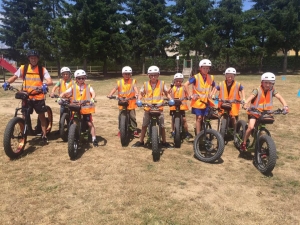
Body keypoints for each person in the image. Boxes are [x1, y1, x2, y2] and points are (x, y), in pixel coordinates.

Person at [2, 50, 53, 143]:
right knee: (24, 115)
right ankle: (23, 134)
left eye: (35, 58)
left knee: (41, 116)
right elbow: (14, 77)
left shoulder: (42, 69)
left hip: (38, 97)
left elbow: (50, 81)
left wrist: (45, 85)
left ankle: (44, 135)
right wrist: (7, 82)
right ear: (29, 58)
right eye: (31, 58)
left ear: (38, 59)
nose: (33, 59)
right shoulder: (23, 68)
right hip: (27, 96)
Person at [240, 72, 289, 152]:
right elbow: (251, 97)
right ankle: (244, 143)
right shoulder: (257, 90)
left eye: (270, 83)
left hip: (265, 113)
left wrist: (285, 106)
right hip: (254, 112)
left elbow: (280, 97)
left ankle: (259, 143)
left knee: (261, 130)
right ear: (262, 82)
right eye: (266, 82)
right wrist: (245, 103)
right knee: (251, 127)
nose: (268, 85)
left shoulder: (272, 90)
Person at [132, 65, 174, 148]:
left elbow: (166, 93)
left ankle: (164, 142)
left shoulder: (162, 83)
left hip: (159, 108)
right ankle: (141, 141)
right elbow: (141, 94)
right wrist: (139, 100)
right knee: (144, 125)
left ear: (158, 75)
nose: (153, 77)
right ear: (149, 75)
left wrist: (170, 99)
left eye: (155, 75)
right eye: (151, 75)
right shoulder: (145, 84)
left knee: (162, 126)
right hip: (148, 108)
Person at [59, 69, 99, 147]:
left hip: (86, 108)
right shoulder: (73, 87)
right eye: (79, 78)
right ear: (76, 79)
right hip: (76, 107)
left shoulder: (88, 86)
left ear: (85, 78)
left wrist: (92, 99)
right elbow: (66, 92)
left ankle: (94, 139)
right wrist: (61, 96)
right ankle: (74, 135)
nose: (81, 80)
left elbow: (93, 93)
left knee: (89, 123)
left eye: (83, 78)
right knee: (74, 122)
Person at [184, 59, 216, 135]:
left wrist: (212, 93)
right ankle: (198, 136)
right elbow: (185, 85)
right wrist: (190, 95)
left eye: (207, 68)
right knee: (199, 118)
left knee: (205, 118)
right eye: (204, 68)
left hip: (206, 102)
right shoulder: (195, 77)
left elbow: (215, 86)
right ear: (200, 68)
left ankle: (204, 133)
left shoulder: (211, 77)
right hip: (198, 102)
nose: (206, 70)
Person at [107, 66, 139, 138]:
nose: (127, 75)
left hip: (130, 102)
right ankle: (120, 130)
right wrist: (110, 94)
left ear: (130, 74)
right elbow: (114, 89)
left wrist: (137, 94)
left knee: (132, 116)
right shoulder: (119, 82)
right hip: (122, 102)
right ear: (122, 74)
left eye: (128, 74)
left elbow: (135, 89)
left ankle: (134, 129)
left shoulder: (133, 82)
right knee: (120, 117)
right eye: (125, 74)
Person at [168, 73, 193, 140]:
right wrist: (170, 87)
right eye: (177, 81)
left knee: (184, 119)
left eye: (180, 81)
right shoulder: (172, 87)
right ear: (174, 81)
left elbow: (188, 94)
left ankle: (186, 132)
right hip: (173, 106)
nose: (178, 82)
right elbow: (166, 93)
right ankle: (173, 131)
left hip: (182, 105)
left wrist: (189, 97)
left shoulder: (184, 87)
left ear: (182, 81)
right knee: (173, 119)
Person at [50, 67, 73, 131]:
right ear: (61, 75)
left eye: (67, 74)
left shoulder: (73, 82)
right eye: (64, 74)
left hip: (70, 100)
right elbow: (55, 87)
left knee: (71, 115)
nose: (65, 75)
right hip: (62, 99)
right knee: (62, 114)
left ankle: (71, 128)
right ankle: (61, 129)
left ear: (70, 74)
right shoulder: (60, 81)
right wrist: (52, 92)